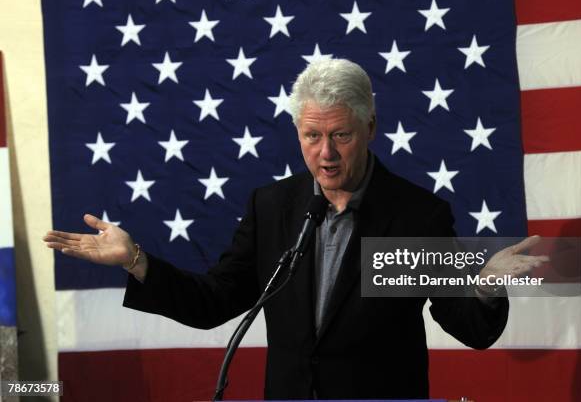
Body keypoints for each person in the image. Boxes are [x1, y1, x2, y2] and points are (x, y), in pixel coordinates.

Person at [44, 59, 548, 399]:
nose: (325, 154)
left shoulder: (415, 216)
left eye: (340, 136)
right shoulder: (274, 207)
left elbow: (465, 324)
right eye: (312, 136)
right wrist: (137, 261)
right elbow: (216, 301)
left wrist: (482, 288)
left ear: (370, 128)